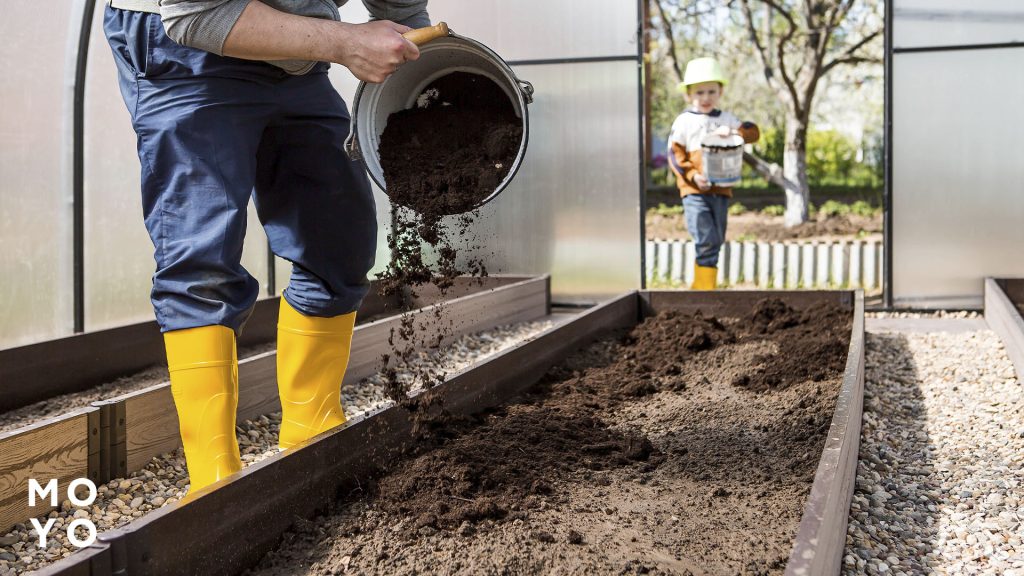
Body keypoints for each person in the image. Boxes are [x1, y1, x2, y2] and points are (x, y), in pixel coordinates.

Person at [103, 0, 427, 493]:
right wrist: (342, 41)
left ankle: (311, 436)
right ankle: (214, 485)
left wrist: (428, 66)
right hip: (187, 51)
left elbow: (401, 9)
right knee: (202, 258)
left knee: (337, 239)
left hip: (296, 55)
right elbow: (195, 16)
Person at [667, 57, 759, 290]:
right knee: (705, 238)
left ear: (721, 91)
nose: (705, 97)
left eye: (711, 91)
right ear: (689, 94)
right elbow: (675, 156)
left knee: (716, 239)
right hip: (695, 191)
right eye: (699, 92)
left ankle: (706, 286)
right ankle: (702, 290)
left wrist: (734, 131)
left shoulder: (726, 119)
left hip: (721, 189)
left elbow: (753, 133)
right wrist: (693, 177)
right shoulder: (685, 121)